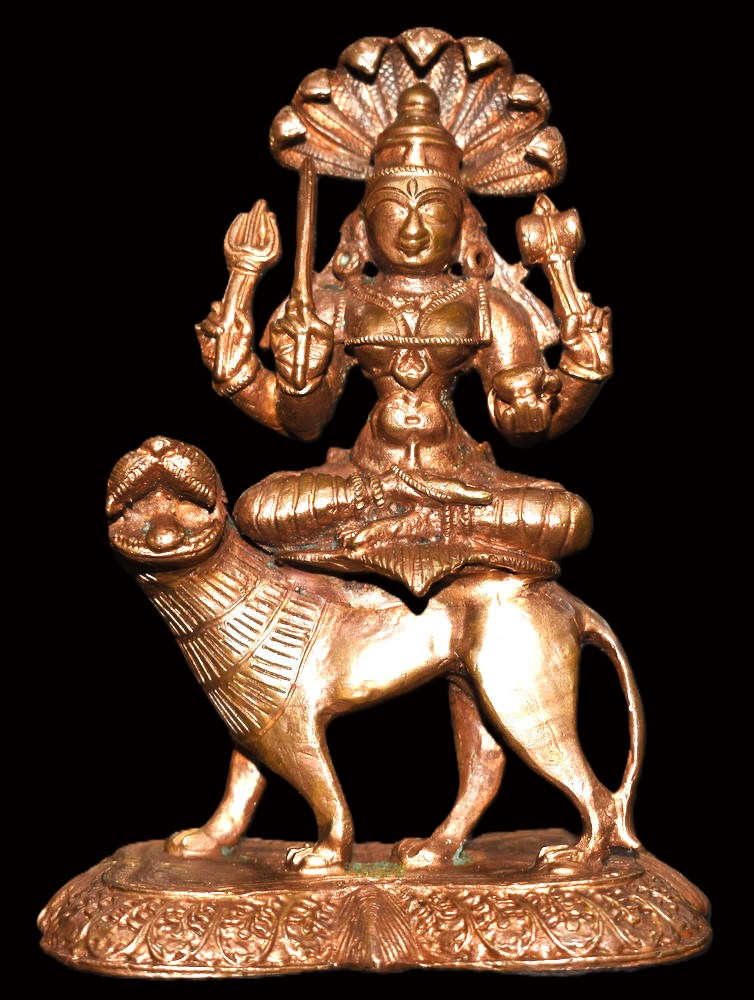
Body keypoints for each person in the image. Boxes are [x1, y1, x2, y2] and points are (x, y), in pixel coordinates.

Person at [197, 85, 611, 596]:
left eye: (433, 209)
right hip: (364, 479)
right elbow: (303, 424)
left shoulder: (488, 305)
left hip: (463, 481)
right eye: (394, 208)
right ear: (363, 225)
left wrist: (570, 379)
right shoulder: (339, 303)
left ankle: (412, 520)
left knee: (566, 516)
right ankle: (413, 516)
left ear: (463, 225)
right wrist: (300, 380)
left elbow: (526, 425)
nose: (412, 231)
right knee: (259, 509)